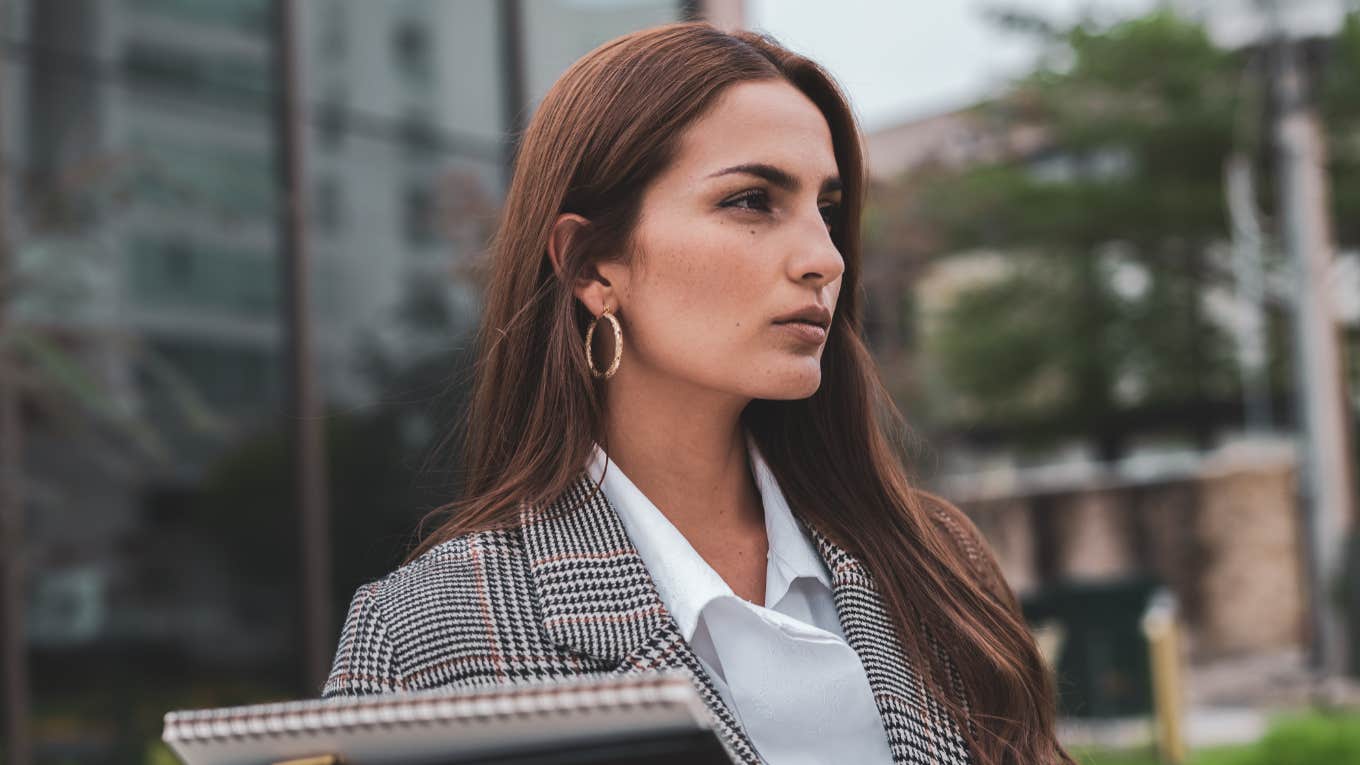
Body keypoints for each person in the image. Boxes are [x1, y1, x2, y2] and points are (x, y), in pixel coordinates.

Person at [323, 21, 1074, 765]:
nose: (824, 258)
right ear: (592, 266)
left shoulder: (936, 564)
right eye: (751, 200)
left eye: (830, 211)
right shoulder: (431, 631)